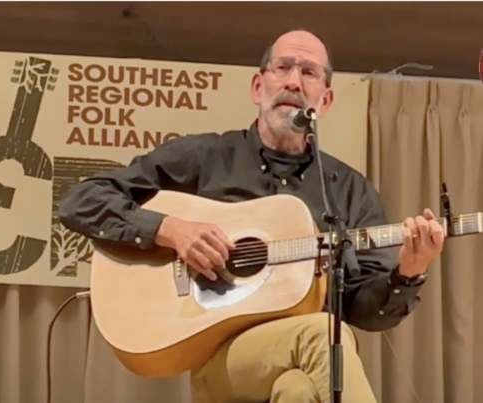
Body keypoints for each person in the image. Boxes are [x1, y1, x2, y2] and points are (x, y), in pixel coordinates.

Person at [58, 30, 444, 403]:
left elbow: (364, 311)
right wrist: (169, 229)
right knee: (324, 334)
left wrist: (407, 272)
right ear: (259, 88)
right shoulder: (204, 158)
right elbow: (80, 201)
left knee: (297, 390)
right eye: (283, 67)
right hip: (219, 357)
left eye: (309, 72)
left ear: (324, 101)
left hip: (304, 360)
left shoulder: (348, 190)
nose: (294, 81)